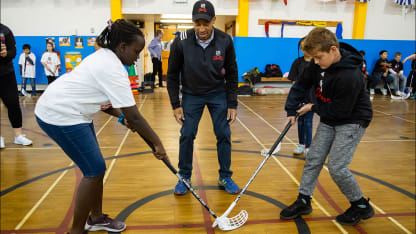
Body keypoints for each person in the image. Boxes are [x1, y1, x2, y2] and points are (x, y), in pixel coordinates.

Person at [35, 19, 169, 234]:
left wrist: (120, 117)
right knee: (94, 169)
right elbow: (134, 116)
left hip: (74, 111)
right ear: (122, 47)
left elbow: (106, 103)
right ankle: (76, 230)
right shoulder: (112, 68)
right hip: (60, 113)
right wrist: (158, 144)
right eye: (136, 51)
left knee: (95, 168)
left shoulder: (105, 57)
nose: (137, 56)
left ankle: (96, 218)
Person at [281, 27, 374, 226]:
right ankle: (304, 200)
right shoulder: (318, 64)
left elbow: (340, 111)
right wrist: (291, 111)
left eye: (318, 57)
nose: (315, 62)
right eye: (313, 58)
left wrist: (313, 107)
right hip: (330, 115)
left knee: (337, 167)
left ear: (333, 50)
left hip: (352, 119)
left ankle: (361, 205)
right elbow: (301, 84)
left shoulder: (350, 75)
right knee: (313, 158)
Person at [167, 0, 240, 195]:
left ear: (213, 20)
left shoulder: (225, 40)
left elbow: (233, 73)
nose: (201, 28)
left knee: (223, 134)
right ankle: (184, 176)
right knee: (187, 134)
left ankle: (225, 176)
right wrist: (176, 104)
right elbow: (172, 75)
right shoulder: (181, 40)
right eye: (197, 24)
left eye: (205, 24)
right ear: (192, 22)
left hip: (218, 94)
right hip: (191, 95)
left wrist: (232, 104)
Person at [0, 23, 32, 149]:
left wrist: (5, 53)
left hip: (6, 74)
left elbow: (13, 52)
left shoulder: (5, 31)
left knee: (13, 103)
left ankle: (18, 136)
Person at [288, 37, 314, 156]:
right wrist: (295, 98)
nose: (305, 50)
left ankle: (308, 146)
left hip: (312, 98)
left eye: (307, 46)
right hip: (300, 97)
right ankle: (301, 144)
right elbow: (293, 81)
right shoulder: (297, 62)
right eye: (302, 47)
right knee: (300, 122)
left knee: (308, 121)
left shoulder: (316, 62)